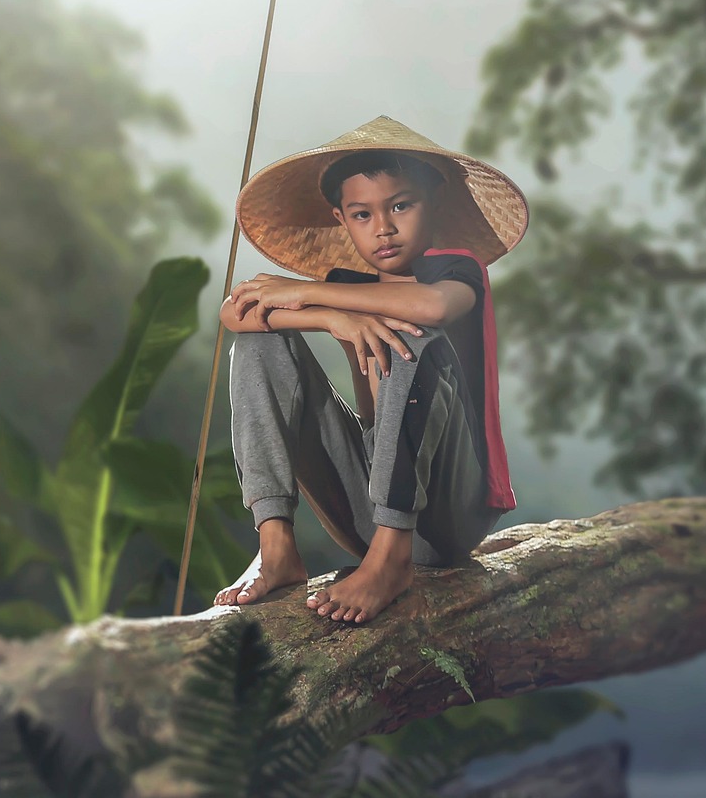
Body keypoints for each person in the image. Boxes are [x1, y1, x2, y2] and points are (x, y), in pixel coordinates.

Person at [213, 115, 529, 625]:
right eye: (362, 214)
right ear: (342, 219)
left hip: (450, 510)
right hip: (363, 503)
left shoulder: (456, 268)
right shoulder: (349, 286)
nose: (383, 227)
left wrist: (308, 292)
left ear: (435, 202)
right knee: (256, 345)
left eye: (401, 206)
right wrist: (335, 316)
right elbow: (235, 314)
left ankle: (390, 558)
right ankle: (275, 547)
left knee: (408, 334)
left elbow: (430, 309)